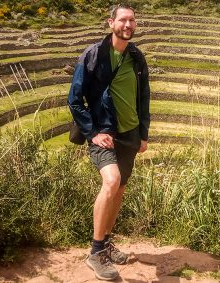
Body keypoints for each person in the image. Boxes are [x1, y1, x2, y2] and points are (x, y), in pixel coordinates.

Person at [66, 3, 150, 281]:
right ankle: (95, 252)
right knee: (111, 181)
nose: (128, 25)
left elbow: (144, 97)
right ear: (110, 23)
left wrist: (144, 133)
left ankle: (107, 242)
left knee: (120, 189)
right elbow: (74, 100)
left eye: (132, 21)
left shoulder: (137, 57)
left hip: (131, 134)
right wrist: (92, 132)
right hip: (104, 132)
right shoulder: (92, 55)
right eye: (123, 20)